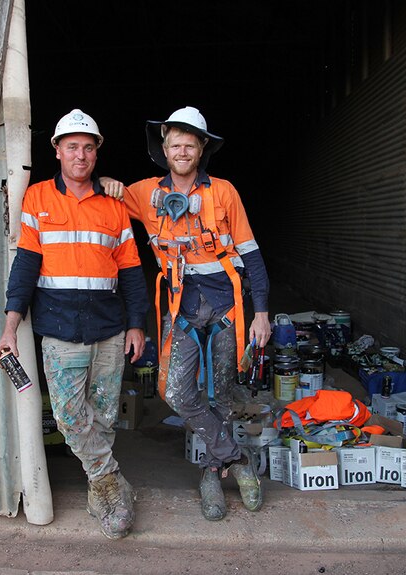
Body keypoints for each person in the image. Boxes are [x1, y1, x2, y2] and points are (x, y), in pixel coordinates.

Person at [102, 106, 271, 521]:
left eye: (189, 144)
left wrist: (262, 312)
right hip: (180, 308)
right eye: (175, 144)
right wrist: (106, 183)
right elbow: (100, 205)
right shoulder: (142, 193)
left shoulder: (224, 192)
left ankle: (211, 474)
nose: (182, 151)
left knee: (224, 398)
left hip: (227, 307)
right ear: (164, 148)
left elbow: (252, 254)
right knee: (175, 392)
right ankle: (237, 460)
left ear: (201, 150)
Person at [0, 109, 149, 540]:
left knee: (101, 415)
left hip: (110, 328)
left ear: (96, 152)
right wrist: (10, 326)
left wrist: (137, 325)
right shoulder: (39, 199)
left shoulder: (113, 205)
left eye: (88, 147)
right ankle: (110, 481)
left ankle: (98, 491)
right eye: (71, 147)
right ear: (57, 151)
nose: (79, 155)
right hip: (60, 330)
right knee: (67, 416)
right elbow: (25, 268)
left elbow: (133, 272)